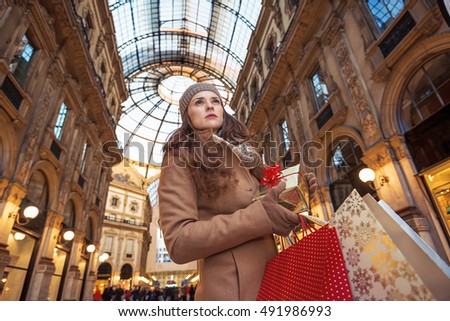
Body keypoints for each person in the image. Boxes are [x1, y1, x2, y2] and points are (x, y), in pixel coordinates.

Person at [158, 83, 317, 300]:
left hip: (277, 278)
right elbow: (179, 242)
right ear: (187, 115)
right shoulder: (179, 158)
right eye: (199, 102)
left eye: (216, 101)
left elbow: (268, 204)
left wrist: (296, 193)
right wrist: (260, 217)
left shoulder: (244, 154)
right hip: (233, 289)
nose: (209, 106)